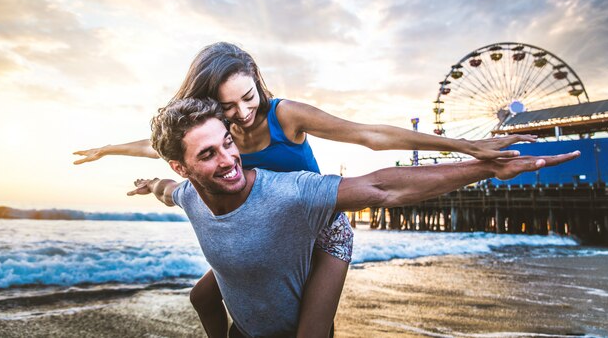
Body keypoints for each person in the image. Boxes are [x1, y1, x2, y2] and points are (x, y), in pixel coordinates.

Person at [73, 42, 536, 337]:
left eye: (249, 96)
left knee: (309, 331)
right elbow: (162, 147)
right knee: (202, 296)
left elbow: (369, 136)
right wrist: (108, 149)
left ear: (258, 81)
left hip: (320, 229)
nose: (243, 113)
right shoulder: (217, 134)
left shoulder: (285, 114)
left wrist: (468, 147)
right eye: (227, 106)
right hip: (274, 230)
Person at [128, 97, 578, 338]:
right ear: (181, 167)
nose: (229, 159)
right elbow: (167, 192)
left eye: (228, 142)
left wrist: (485, 167)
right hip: (245, 329)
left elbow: (383, 186)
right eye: (208, 154)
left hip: (303, 302)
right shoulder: (187, 194)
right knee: (202, 296)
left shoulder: (288, 193)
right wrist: (151, 186)